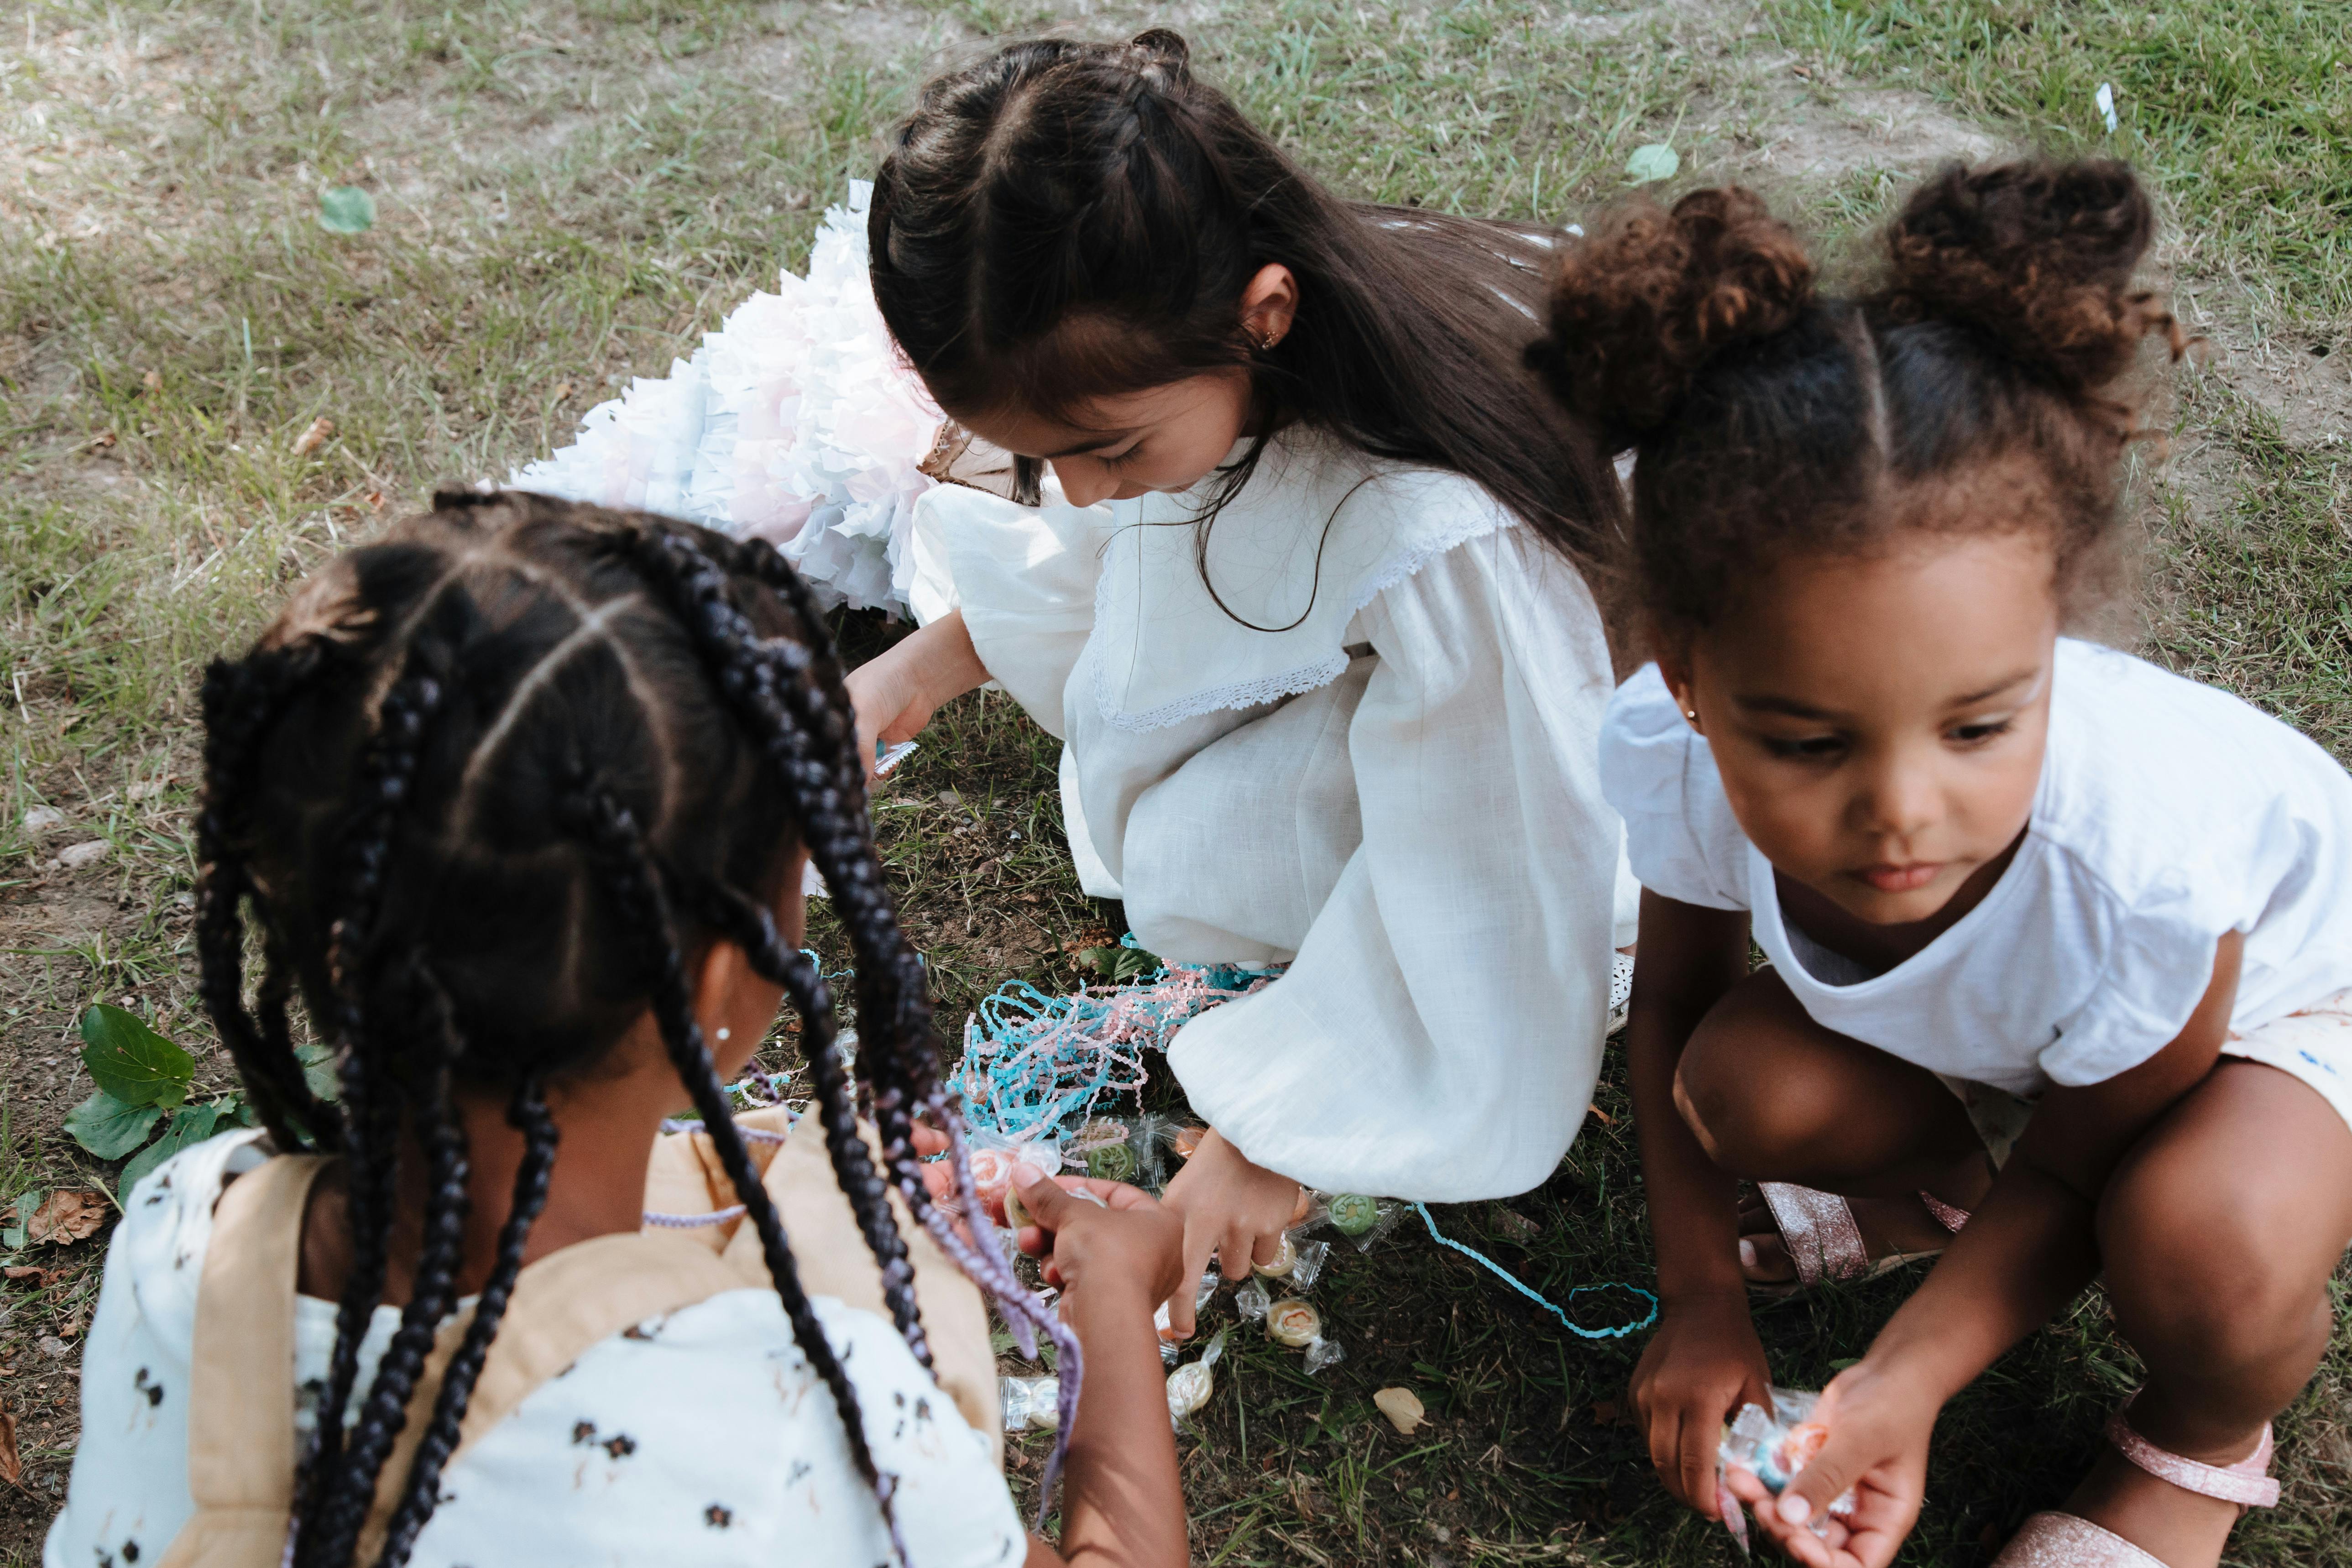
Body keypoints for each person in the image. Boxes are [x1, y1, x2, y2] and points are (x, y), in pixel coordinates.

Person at [44, 491, 1189, 1568]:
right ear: (719, 980)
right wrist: (1109, 1291)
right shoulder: (795, 1409)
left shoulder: (185, 1229)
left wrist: (817, 1195)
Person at [1532, 161, 2352, 1568]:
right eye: (1808, 742)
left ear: (2052, 643)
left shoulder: (2143, 871)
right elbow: (1670, 1001)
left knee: (2201, 1239)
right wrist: (1697, 1294)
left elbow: (2081, 1169)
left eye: (1979, 725)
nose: (1902, 813)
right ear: (1686, 682)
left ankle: (2201, 1445)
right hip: (2041, 1023)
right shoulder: (1674, 756)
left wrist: (1903, 1381)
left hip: (2267, 1014)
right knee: (1743, 1082)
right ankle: (1938, 1197)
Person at [846, 29, 1638, 1336]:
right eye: (1043, 458)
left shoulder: (1433, 524)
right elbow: (1124, 536)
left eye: (1106, 449)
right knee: (1183, 829)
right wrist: (915, 670)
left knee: (1244, 855)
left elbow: (1496, 831)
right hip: (1435, 676)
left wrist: (1277, 1125)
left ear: (1261, 315)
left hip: (1546, 750)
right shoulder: (1200, 344)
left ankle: (1382, 1021)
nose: (1081, 492)